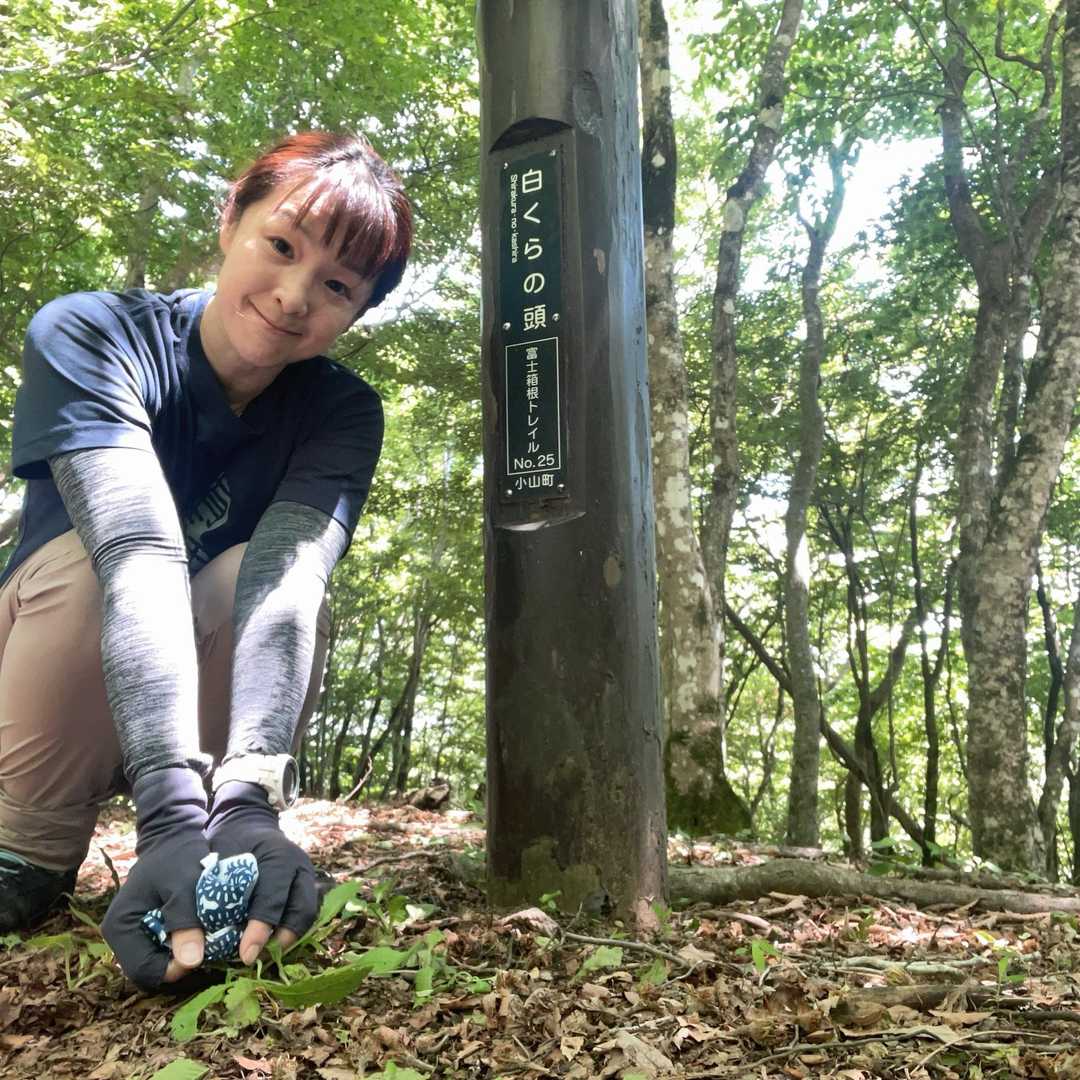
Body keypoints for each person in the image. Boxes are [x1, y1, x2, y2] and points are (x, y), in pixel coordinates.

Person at [0, 131, 412, 989]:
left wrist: (249, 800)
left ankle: (223, 841)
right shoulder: (94, 334)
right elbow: (136, 552)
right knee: (91, 572)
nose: (294, 297)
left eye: (337, 286)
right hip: (50, 652)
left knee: (254, 576)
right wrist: (166, 813)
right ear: (231, 221)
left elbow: (288, 583)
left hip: (198, 673)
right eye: (282, 246)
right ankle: (28, 850)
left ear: (358, 311)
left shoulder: (340, 412)